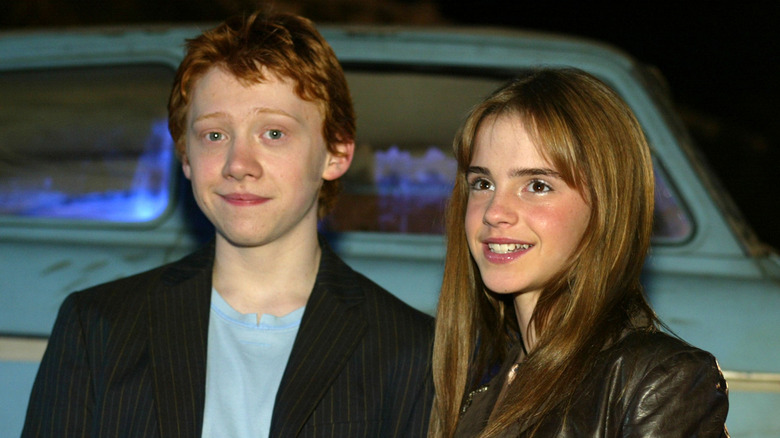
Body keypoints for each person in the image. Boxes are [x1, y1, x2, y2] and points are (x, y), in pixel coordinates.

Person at [23, 11, 433, 438]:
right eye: (214, 135)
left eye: (273, 133)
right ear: (185, 156)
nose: (238, 165)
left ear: (336, 153)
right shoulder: (98, 329)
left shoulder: (410, 353)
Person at [428, 69, 729, 437]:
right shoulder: (469, 376)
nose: (494, 212)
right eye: (483, 183)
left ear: (606, 206)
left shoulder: (657, 383)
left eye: (537, 185)